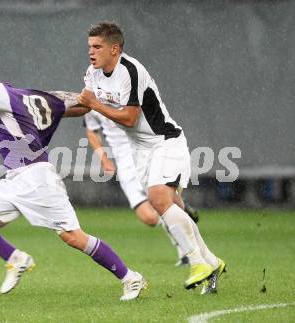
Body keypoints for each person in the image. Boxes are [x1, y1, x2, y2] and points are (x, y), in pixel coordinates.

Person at [0, 56, 147, 301]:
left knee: (73, 237)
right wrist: (94, 99)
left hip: (38, 178)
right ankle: (16, 259)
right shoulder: (30, 96)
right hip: (15, 178)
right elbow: (80, 106)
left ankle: (130, 277)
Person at [77, 22, 225, 294]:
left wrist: (94, 104)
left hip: (165, 141)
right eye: (89, 46)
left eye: (97, 46)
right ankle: (212, 262)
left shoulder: (130, 70)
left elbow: (130, 118)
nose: (91, 52)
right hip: (141, 151)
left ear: (114, 48)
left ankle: (196, 263)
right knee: (172, 206)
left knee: (159, 199)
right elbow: (84, 107)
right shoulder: (93, 74)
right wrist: (55, 107)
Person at [84, 109, 199, 267]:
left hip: (146, 155)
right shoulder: (91, 98)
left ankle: (187, 253)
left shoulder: (128, 91)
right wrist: (104, 160)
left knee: (161, 204)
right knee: (150, 218)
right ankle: (180, 209)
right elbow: (91, 131)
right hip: (125, 164)